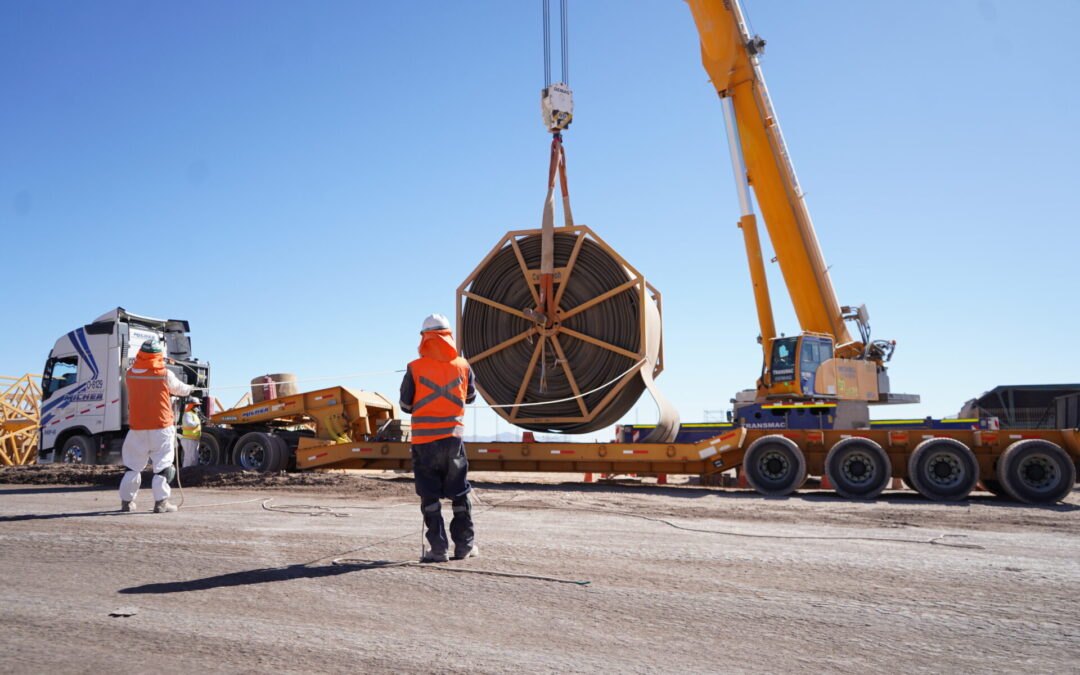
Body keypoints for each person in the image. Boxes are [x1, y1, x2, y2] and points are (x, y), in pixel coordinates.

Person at [400, 313, 478, 562]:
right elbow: (471, 397)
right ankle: (465, 546)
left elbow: (404, 404)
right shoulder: (463, 366)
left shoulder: (414, 367)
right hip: (453, 441)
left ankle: (438, 549)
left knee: (429, 494)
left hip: (424, 442)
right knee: (459, 493)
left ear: (424, 338)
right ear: (449, 336)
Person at [119, 338, 194, 513]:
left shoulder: (130, 374)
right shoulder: (165, 374)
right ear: (158, 355)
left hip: (137, 428)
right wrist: (191, 388)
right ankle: (161, 503)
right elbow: (181, 389)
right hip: (161, 427)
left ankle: (127, 503)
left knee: (132, 466)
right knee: (164, 466)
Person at [180, 401, 202, 469]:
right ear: (191, 406)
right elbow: (189, 424)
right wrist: (198, 423)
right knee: (189, 458)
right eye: (196, 406)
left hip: (194, 439)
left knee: (194, 458)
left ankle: (191, 473)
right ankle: (184, 473)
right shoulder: (188, 414)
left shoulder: (194, 414)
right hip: (188, 440)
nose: (198, 407)